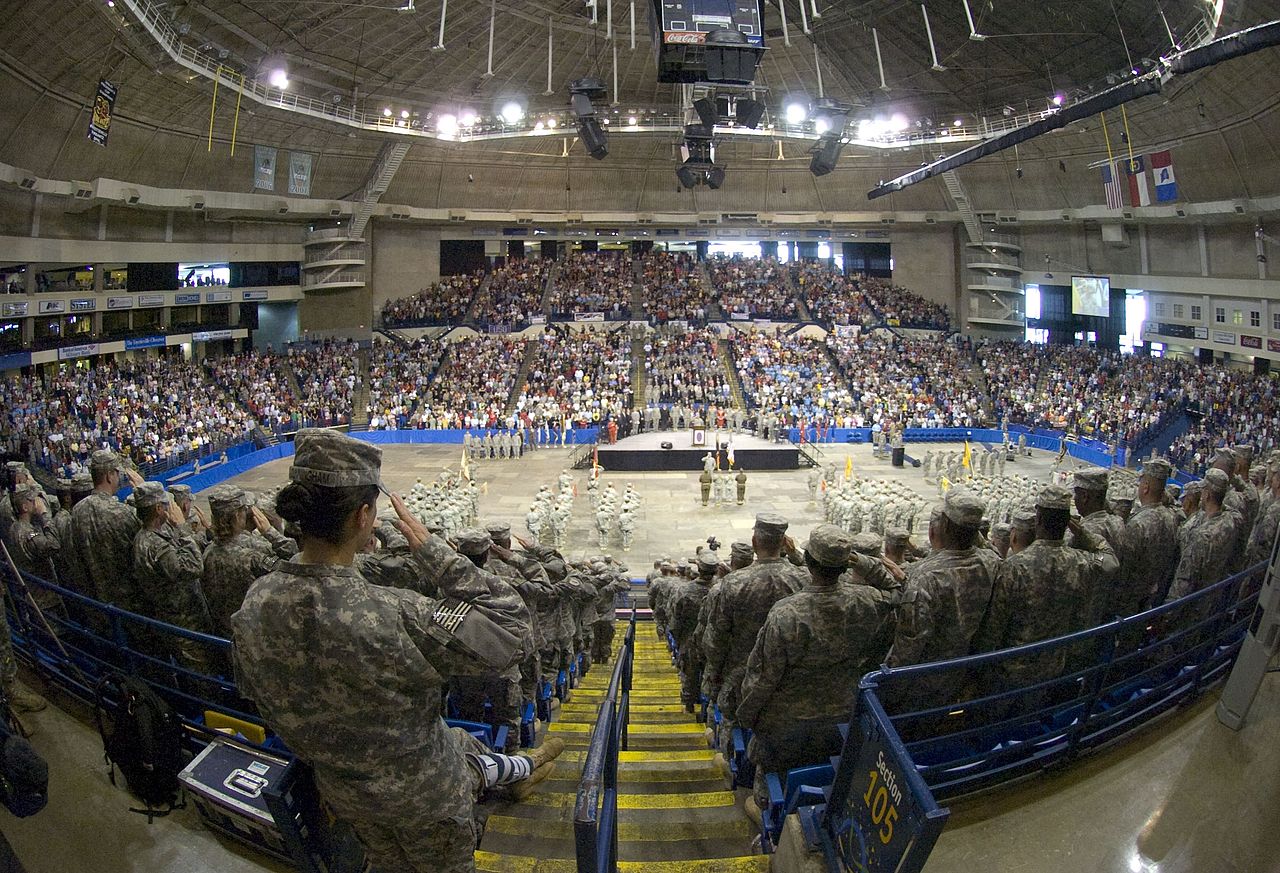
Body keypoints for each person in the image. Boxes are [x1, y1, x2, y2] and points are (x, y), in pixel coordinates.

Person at [232, 430, 562, 873]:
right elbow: (513, 633)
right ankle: (517, 768)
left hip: (344, 792)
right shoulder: (396, 613)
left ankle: (517, 768)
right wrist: (436, 554)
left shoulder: (255, 602)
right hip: (425, 799)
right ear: (364, 516)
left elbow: (258, 694)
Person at [736, 524, 893, 823]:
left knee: (768, 765)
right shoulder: (867, 602)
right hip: (844, 716)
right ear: (845, 563)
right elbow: (899, 589)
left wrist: (748, 717)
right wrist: (863, 561)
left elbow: (763, 678)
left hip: (787, 724)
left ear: (808, 561)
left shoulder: (786, 614)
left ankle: (767, 814)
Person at [974, 484, 1118, 695]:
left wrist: (979, 671)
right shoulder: (1080, 562)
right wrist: (1082, 533)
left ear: (1038, 519)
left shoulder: (1015, 566)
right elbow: (1111, 561)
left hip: (1012, 670)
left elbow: (994, 627)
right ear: (1067, 522)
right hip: (1054, 665)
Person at [883, 489, 1000, 717]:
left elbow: (909, 644)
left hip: (928, 681)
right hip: (969, 668)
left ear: (943, 526)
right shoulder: (992, 562)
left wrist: (887, 688)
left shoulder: (926, 576)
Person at [702, 515, 806, 755]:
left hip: (740, 671)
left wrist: (714, 673)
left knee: (732, 720)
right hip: (786, 673)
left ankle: (729, 761)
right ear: (784, 543)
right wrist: (795, 555)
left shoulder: (733, 583)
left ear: (754, 542)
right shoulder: (803, 579)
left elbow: (716, 639)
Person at [131, 482, 214, 672]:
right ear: (159, 508)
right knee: (201, 678)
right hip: (183, 624)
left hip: (170, 619)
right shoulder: (157, 545)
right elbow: (195, 566)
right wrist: (182, 528)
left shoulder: (144, 538)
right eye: (167, 505)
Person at [201, 484, 298, 638]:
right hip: (253, 634)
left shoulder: (207, 553)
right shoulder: (253, 555)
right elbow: (294, 562)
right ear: (238, 516)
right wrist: (271, 531)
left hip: (224, 632)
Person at [69, 450, 143, 613]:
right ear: (110, 476)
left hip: (95, 602)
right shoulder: (121, 512)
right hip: (128, 602)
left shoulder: (77, 511)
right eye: (117, 473)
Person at [1120, 459, 1181, 613]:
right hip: (1151, 596)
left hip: (1129, 601)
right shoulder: (1171, 518)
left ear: (1145, 487)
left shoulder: (1138, 523)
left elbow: (1124, 569)